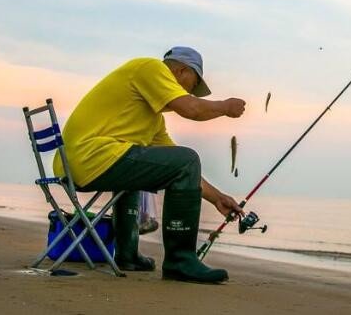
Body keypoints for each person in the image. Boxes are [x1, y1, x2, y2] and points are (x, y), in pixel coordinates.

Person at [53, 46, 246, 283]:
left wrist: (217, 198)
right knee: (189, 158)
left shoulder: (152, 119)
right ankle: (180, 261)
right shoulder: (151, 67)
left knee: (168, 165)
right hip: (90, 157)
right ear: (181, 71)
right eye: (193, 86)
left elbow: (179, 167)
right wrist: (225, 107)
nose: (191, 92)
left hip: (75, 165)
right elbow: (191, 110)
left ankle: (127, 255)